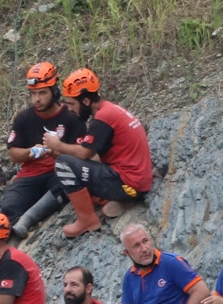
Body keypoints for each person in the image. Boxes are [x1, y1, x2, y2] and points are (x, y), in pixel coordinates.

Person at [23, 68, 155, 239]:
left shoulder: (102, 119)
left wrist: (57, 145)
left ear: (85, 101)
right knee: (75, 162)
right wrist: (55, 150)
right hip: (137, 182)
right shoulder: (110, 110)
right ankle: (105, 200)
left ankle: (87, 220)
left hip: (128, 185)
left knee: (64, 163)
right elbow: (96, 155)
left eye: (71, 104)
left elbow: (84, 153)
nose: (69, 109)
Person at [0, 62, 75, 225]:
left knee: (68, 180)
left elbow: (84, 153)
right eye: (33, 94)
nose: (37, 99)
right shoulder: (24, 119)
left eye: (42, 93)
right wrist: (32, 152)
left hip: (59, 171)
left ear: (54, 91)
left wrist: (57, 151)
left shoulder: (70, 116)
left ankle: (28, 218)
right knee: (9, 205)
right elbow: (13, 154)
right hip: (31, 175)